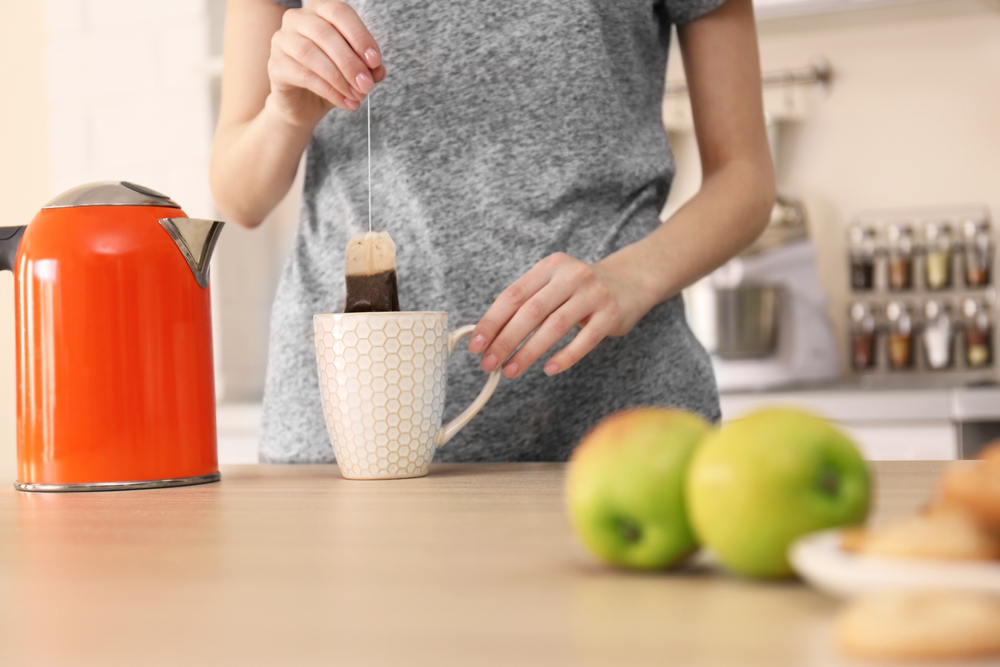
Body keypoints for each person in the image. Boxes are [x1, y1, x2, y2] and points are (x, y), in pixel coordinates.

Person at [210, 0, 775, 463]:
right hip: (349, 426)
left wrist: (633, 276)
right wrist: (287, 113)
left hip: (618, 418)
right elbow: (241, 196)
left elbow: (744, 178)